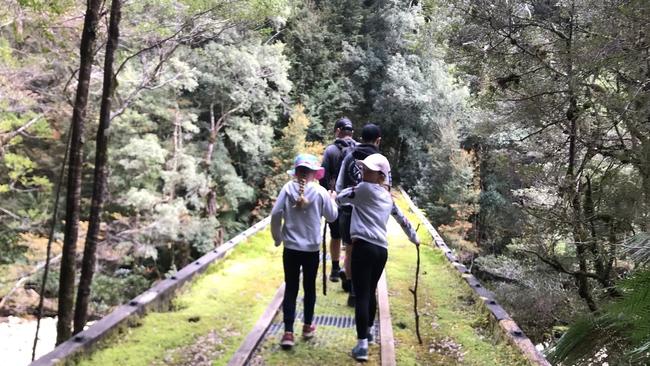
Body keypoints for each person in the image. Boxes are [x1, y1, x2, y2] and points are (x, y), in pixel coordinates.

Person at [336, 153, 419, 361]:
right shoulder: (387, 198)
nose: (364, 173)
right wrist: (414, 239)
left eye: (368, 171)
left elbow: (340, 198)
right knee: (370, 292)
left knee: (361, 294)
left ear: (380, 176)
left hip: (362, 247)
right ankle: (370, 331)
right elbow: (403, 221)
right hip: (381, 251)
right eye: (364, 169)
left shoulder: (363, 189)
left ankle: (362, 345)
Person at [271, 154, 338, 349]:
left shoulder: (286, 188)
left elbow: (275, 214)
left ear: (296, 171)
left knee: (291, 288)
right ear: (314, 174)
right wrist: (332, 199)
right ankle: (307, 326)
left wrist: (277, 238)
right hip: (311, 249)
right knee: (309, 287)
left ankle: (288, 333)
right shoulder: (320, 191)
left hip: (290, 248)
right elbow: (332, 217)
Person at [319, 117, 356, 282]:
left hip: (334, 198)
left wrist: (327, 194)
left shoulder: (330, 150)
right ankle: (350, 274)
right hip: (353, 201)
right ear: (352, 132)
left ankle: (334, 269)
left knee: (335, 235)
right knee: (351, 240)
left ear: (337, 131)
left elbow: (323, 176)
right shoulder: (358, 149)